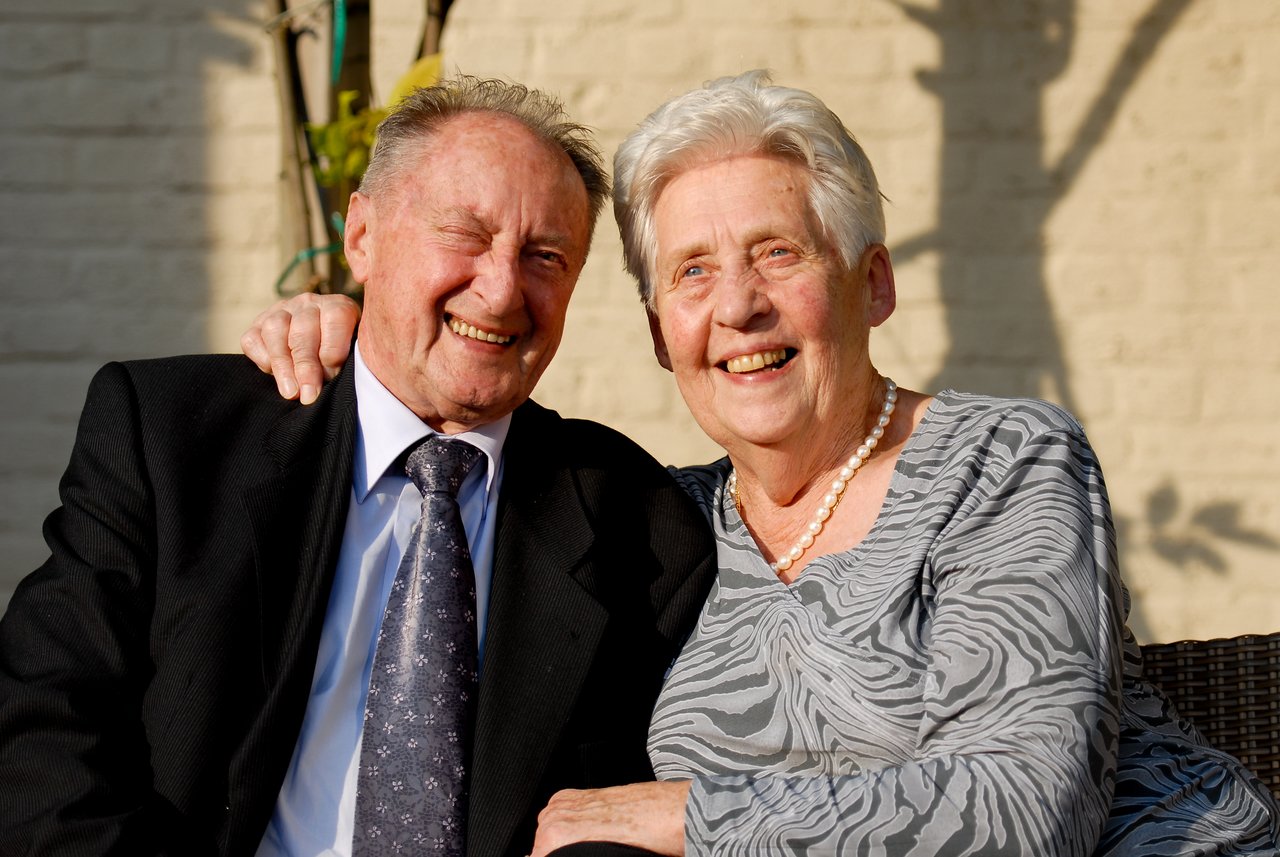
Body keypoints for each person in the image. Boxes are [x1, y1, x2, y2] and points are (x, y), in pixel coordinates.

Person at [253, 72, 1280, 856]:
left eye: (777, 253)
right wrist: (360, 337)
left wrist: (692, 815)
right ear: (661, 334)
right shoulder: (655, 526)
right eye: (691, 271)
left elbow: (1022, 808)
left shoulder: (1001, 464)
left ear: (869, 285)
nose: (735, 304)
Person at [0, 76, 716, 857]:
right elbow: (40, 737)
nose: (503, 288)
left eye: (545, 256)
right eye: (465, 234)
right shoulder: (173, 438)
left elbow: (625, 814)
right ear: (362, 237)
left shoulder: (638, 528)